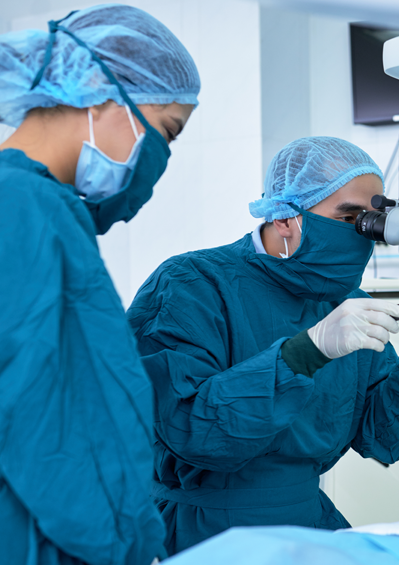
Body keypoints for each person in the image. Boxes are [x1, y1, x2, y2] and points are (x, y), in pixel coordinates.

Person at [127, 136, 399, 554]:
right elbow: (193, 431)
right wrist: (305, 353)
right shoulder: (191, 285)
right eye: (349, 218)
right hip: (204, 531)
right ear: (285, 218)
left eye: (371, 221)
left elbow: (381, 439)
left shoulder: (348, 304)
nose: (361, 235)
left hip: (305, 522)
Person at [0, 5, 200, 564]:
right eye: (167, 131)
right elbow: (43, 414)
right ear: (105, 94)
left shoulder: (40, 204)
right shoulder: (24, 206)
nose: (161, 157)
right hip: (43, 533)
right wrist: (121, 542)